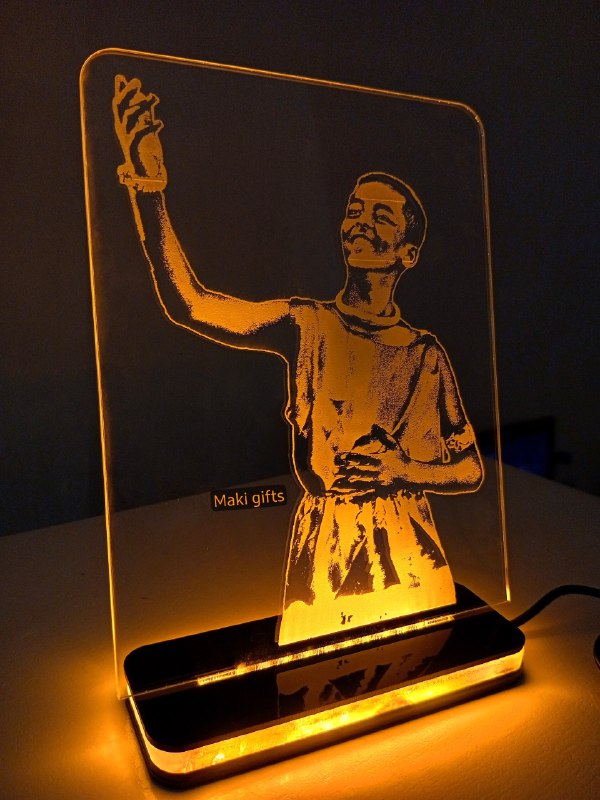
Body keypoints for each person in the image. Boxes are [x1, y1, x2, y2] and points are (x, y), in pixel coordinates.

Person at [112, 75, 484, 646]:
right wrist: (149, 187)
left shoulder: (424, 354)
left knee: (417, 658)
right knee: (318, 672)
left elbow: (469, 468)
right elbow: (192, 305)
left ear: (408, 253)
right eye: (355, 211)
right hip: (326, 543)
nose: (362, 223)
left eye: (382, 217)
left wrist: (404, 470)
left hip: (409, 547)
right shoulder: (306, 324)